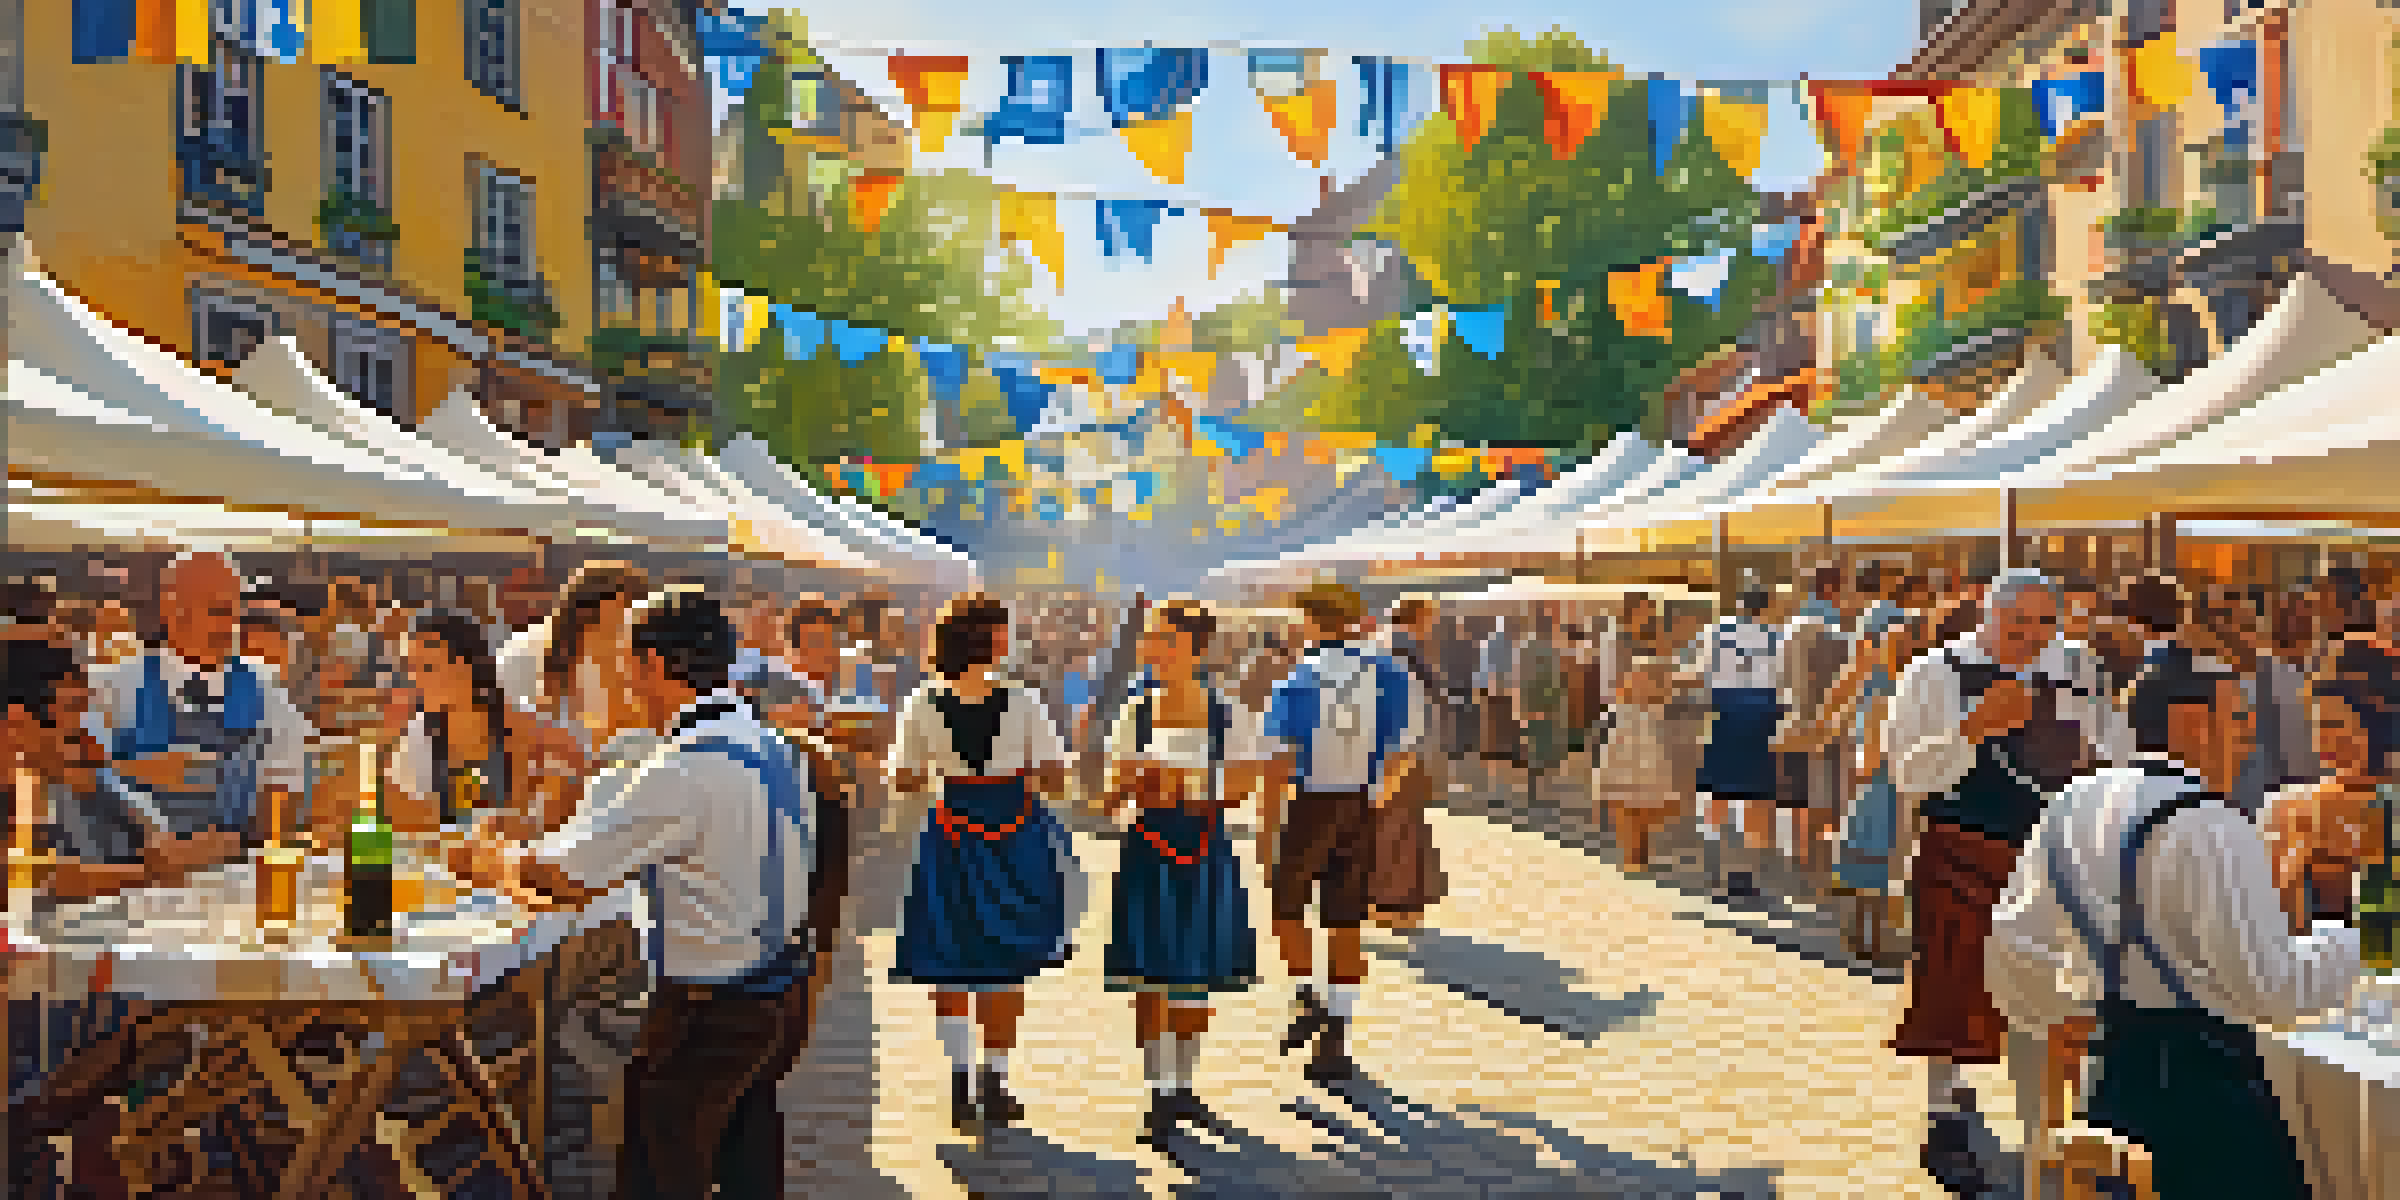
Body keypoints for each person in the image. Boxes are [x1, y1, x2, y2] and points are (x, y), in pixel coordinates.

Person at [447, 588, 820, 1200]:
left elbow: (564, 876)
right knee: (744, 1164)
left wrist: (495, 860)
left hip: (711, 1005)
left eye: (625, 661)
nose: (621, 679)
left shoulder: (686, 767)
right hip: (774, 992)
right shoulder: (769, 742)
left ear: (652, 665)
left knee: (659, 1168)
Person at [1988, 655, 2367, 1200]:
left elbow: (2011, 946)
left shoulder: (2072, 804)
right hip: (2199, 1097)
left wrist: (2065, 1014)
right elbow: (2274, 990)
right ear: (2193, 721)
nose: (2246, 741)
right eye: (2236, 720)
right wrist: (2342, 926)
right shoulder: (2208, 823)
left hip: (2107, 1080)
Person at [1884, 569, 2130, 1192]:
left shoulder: (2074, 672)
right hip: (1960, 844)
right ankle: (1946, 1117)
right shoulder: (1936, 673)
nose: (2031, 635)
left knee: (2056, 993)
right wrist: (1972, 729)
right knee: (1954, 984)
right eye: (2017, 621)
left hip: (2051, 853)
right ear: (1988, 615)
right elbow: (1906, 773)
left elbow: (2113, 747)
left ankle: (2049, 1133)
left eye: (2043, 622)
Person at [884, 594, 1077, 1131]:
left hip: (952, 829)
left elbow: (903, 777)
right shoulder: (1022, 700)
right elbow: (1056, 776)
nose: (1008, 641)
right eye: (1001, 631)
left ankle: (960, 1077)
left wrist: (941, 770)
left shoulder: (924, 701)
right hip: (1013, 828)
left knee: (949, 951)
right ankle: (993, 1078)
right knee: (1006, 957)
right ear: (985, 638)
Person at [1100, 601, 1266, 1144]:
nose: (1153, 650)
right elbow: (1107, 798)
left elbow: (1242, 786)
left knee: (1196, 974)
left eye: (1165, 640)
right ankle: (1159, 1088)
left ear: (1196, 649)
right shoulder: (1135, 711)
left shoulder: (1228, 713)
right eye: (1151, 639)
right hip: (1147, 846)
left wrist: (1189, 783)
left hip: (1203, 843)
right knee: (1149, 975)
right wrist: (1133, 784)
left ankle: (1183, 1084)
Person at [1264, 582, 1426, 1083]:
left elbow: (1279, 758)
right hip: (1361, 802)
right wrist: (1376, 797)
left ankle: (1308, 994)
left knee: (1286, 910)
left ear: (1312, 621)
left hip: (1309, 800)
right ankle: (1335, 1035)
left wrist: (1268, 829)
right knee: (1346, 921)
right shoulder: (1392, 673)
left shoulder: (1300, 675)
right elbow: (1404, 753)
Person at [85, 552, 315, 853]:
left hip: (233, 867)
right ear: (171, 610)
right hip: (134, 867)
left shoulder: (265, 691)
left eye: (235, 612)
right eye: (217, 611)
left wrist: (242, 843)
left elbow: (285, 790)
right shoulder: (116, 686)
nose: (229, 626)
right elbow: (76, 775)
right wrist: (136, 770)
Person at [381, 611, 558, 836]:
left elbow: (538, 811)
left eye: (427, 667)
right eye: (411, 669)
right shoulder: (417, 741)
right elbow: (404, 824)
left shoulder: (519, 725)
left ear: (465, 666)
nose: (415, 680)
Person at [1822, 607, 1921, 964]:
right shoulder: (1880, 680)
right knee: (1871, 859)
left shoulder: (1898, 678)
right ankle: (1865, 936)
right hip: (1879, 778)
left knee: (1877, 861)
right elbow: (1858, 725)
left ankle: (1869, 935)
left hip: (1889, 777)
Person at [1692, 588, 1786, 900]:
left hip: (1723, 716)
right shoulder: (1777, 638)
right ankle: (1746, 876)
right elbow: (1785, 683)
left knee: (1716, 797)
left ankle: (1714, 869)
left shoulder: (1716, 632)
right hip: (1763, 719)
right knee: (1756, 802)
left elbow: (1702, 677)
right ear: (1767, 607)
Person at [1773, 567, 1855, 893]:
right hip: (1823, 723)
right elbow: (1839, 680)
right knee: (1825, 798)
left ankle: (1801, 868)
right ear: (1833, 589)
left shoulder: (1792, 625)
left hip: (1793, 718)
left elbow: (1781, 677)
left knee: (1799, 797)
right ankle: (1818, 873)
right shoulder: (1831, 628)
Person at [1367, 598, 1447, 925]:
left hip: (1399, 749)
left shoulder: (1389, 644)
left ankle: (1400, 903)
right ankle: (1391, 904)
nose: (1433, 624)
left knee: (1399, 825)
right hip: (1400, 750)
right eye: (1430, 616)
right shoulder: (1398, 648)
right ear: (1417, 616)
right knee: (1396, 825)